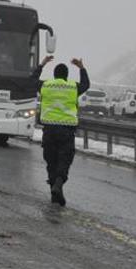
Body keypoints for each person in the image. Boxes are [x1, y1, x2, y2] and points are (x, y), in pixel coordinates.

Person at [33, 56, 90, 206]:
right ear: (66, 75)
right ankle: (58, 184)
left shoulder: (46, 85)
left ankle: (55, 190)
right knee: (64, 160)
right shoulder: (73, 87)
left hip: (49, 130)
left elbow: (32, 80)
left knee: (51, 161)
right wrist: (81, 68)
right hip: (66, 130)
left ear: (54, 75)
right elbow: (86, 84)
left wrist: (42, 64)